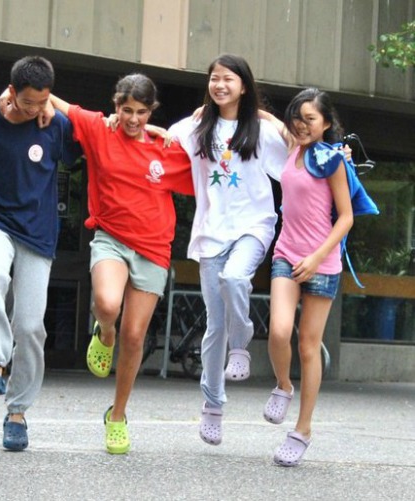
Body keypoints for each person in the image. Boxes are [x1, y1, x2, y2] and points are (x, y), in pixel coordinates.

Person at [48, 74, 194, 454]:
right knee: (108, 304)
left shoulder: (166, 149)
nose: (132, 118)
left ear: (151, 111)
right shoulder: (99, 131)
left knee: (135, 337)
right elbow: (51, 99)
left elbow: (211, 161)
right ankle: (104, 334)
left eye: (141, 112)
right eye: (126, 110)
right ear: (115, 106)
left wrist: (160, 131)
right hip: (111, 237)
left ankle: (117, 415)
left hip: (153, 248)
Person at [167, 54, 288, 446]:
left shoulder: (262, 131)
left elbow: (297, 156)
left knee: (236, 278)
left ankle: (242, 345)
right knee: (213, 326)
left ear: (244, 86)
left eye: (229, 79)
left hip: (254, 227)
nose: (220, 85)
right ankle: (213, 406)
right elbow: (164, 139)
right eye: (215, 79)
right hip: (210, 234)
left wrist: (271, 118)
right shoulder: (198, 126)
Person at [0, 55, 81, 451]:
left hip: (40, 234)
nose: (34, 109)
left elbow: (88, 143)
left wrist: (49, 106)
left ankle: (17, 413)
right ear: (11, 92)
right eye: (28, 102)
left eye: (41, 101)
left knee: (31, 327)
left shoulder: (56, 125)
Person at [263, 88, 353, 467]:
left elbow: (346, 217)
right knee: (279, 331)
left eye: (310, 119)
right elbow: (267, 118)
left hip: (322, 262)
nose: (301, 125)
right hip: (286, 254)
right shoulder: (292, 143)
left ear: (326, 124)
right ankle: (283, 385)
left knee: (308, 346)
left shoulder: (332, 161)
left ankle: (302, 429)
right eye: (297, 117)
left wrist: (317, 258)